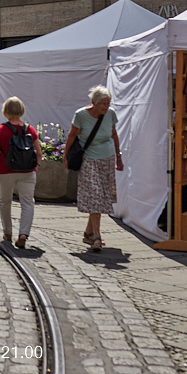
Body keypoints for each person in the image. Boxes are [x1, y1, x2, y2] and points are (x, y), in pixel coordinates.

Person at [64, 86, 124, 252]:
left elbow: (113, 134)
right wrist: (65, 155)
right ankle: (97, 236)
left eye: (107, 103)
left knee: (102, 196)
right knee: (96, 195)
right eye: (102, 104)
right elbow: (72, 135)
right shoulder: (81, 115)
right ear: (94, 103)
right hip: (88, 158)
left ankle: (88, 233)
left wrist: (119, 157)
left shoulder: (110, 114)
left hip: (107, 158)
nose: (106, 107)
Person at [0, 97, 42, 248]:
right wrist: (35, 166)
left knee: (5, 202)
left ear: (5, 111)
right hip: (27, 171)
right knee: (28, 203)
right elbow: (39, 152)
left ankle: (7, 232)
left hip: (6, 171)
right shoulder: (30, 129)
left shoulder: (1, 130)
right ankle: (23, 233)